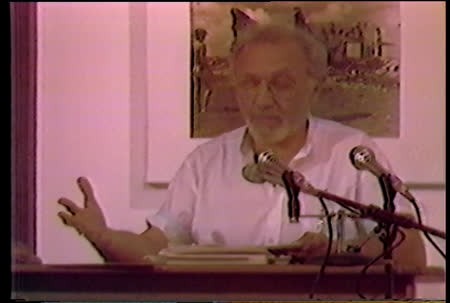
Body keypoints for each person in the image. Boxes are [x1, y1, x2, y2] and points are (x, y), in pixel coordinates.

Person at [57, 11, 426, 268]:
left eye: (281, 83)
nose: (263, 99)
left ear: (314, 85)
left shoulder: (352, 153)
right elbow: (152, 251)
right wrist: (103, 237)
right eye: (250, 83)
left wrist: (338, 249)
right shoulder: (205, 164)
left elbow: (408, 251)